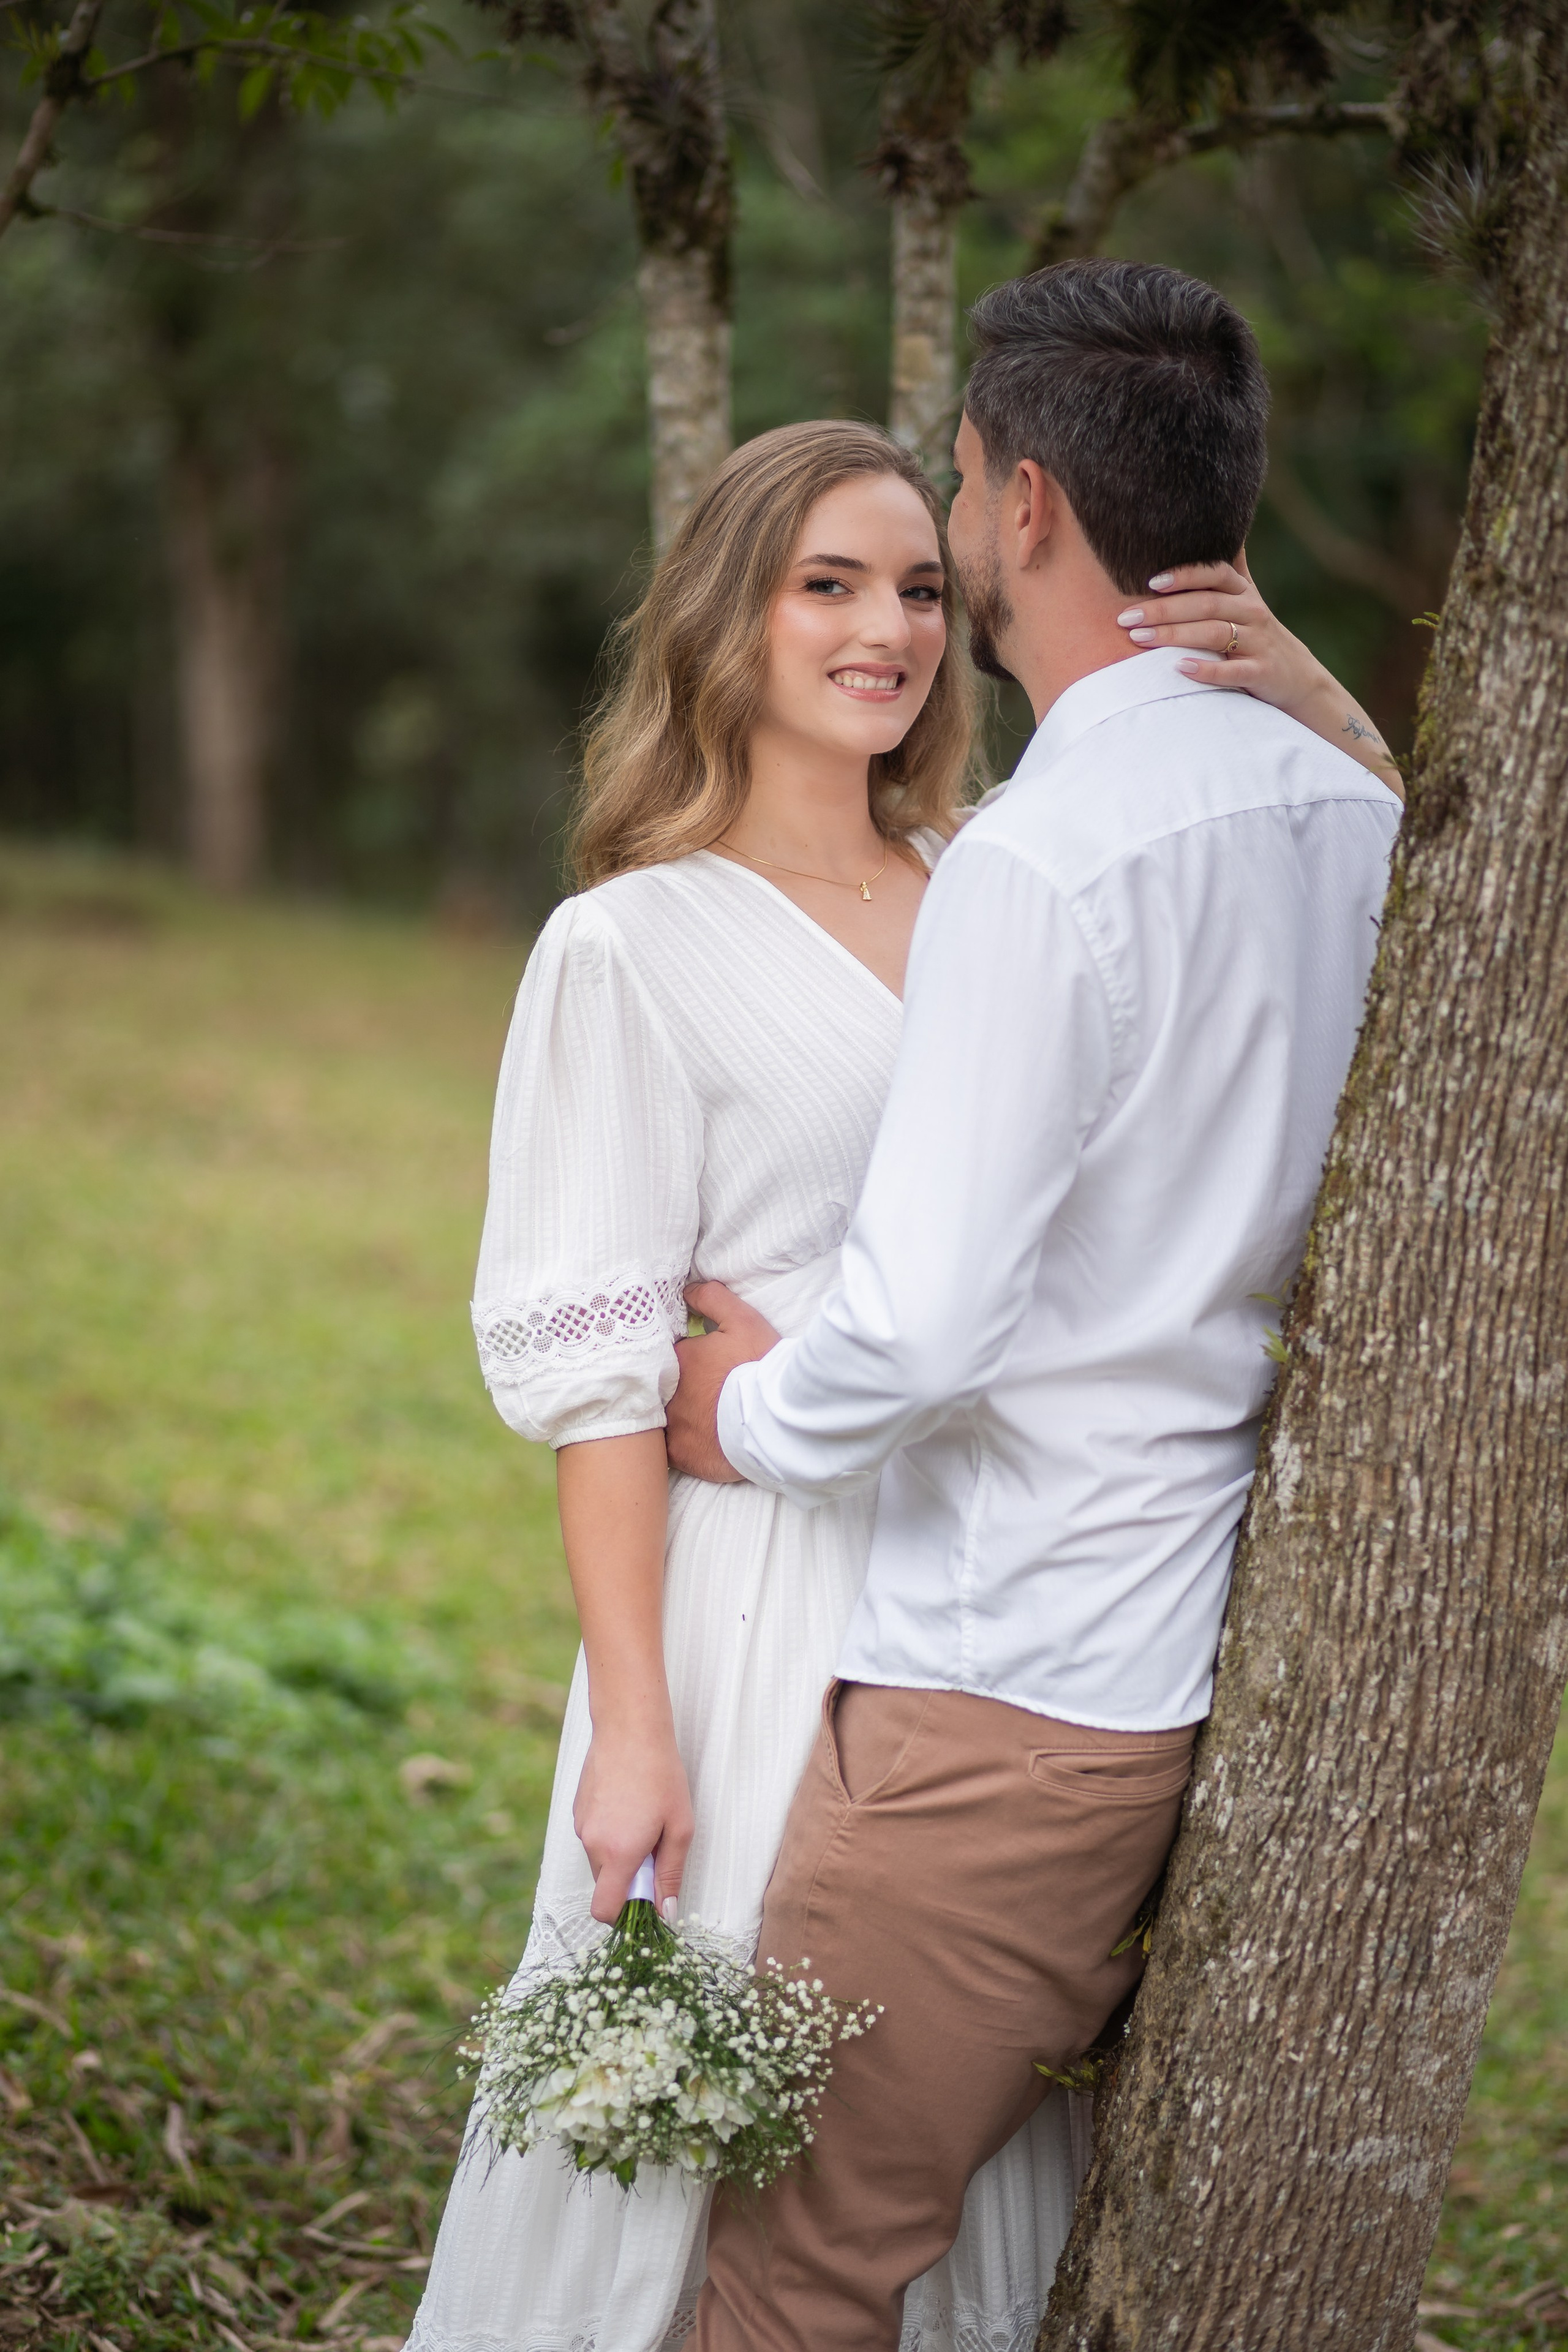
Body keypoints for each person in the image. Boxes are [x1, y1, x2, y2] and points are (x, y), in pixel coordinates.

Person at [407, 393, 1401, 2352]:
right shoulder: (629, 947)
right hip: (757, 1594)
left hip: (997, 1593)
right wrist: (632, 1724)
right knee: (735, 2121)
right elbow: (610, 1383)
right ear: (726, 620)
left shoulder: (1005, 872)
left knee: (924, 2126)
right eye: (826, 586)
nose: (890, 630)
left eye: (924, 588)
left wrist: (1322, 703)